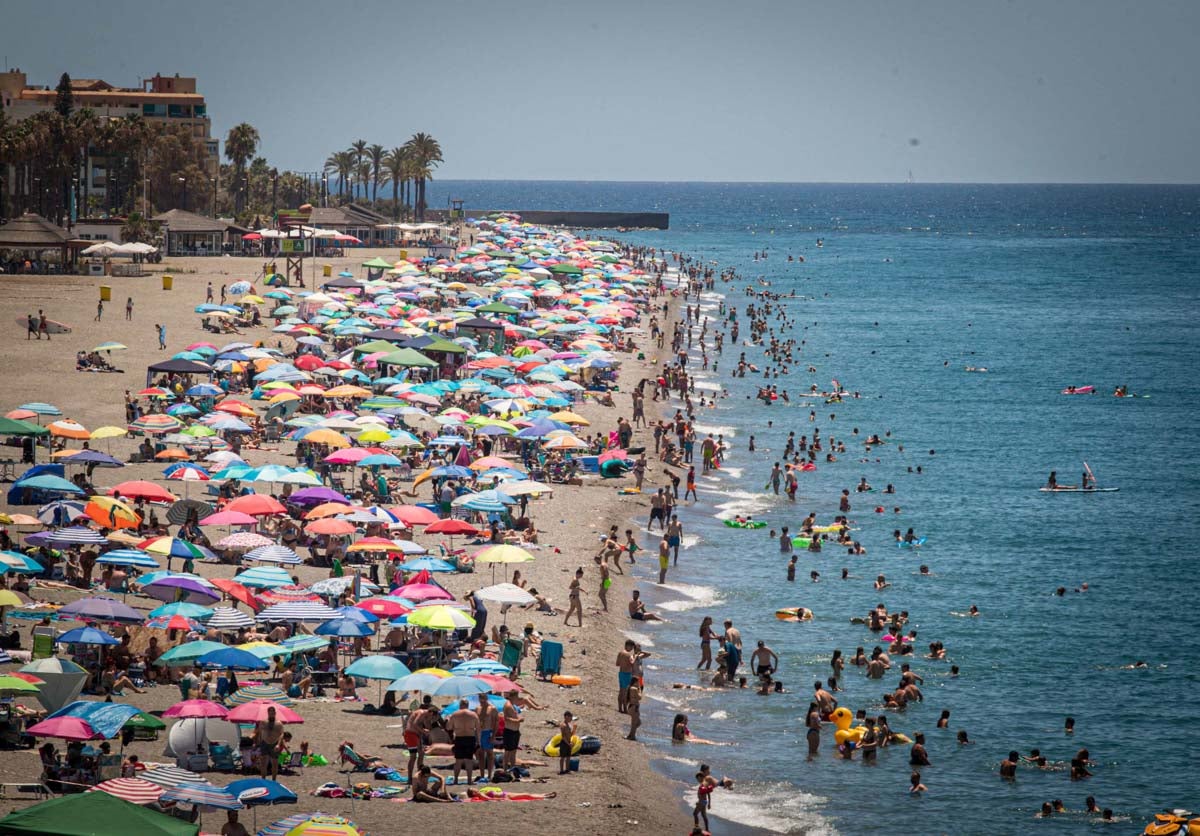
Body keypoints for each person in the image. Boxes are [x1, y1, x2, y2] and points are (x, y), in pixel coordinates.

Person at [447, 698, 479, 785]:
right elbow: (478, 729)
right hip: (470, 738)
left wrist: (449, 720)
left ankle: (456, 780)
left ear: (460, 705)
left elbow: (448, 727)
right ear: (468, 705)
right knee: (469, 760)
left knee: (458, 761)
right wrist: (478, 741)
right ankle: (469, 780)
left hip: (459, 738)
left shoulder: (455, 714)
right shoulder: (473, 715)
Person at [253, 706, 285, 779]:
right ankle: (263, 779)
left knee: (274, 762)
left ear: (275, 713)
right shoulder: (263, 722)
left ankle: (274, 780)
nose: (271, 714)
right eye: (270, 712)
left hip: (274, 743)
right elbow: (259, 732)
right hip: (264, 743)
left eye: (273, 712)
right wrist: (257, 742)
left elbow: (281, 734)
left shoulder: (278, 723)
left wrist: (278, 744)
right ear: (268, 713)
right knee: (264, 762)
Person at [501, 690, 523, 770]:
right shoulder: (508, 705)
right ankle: (505, 769)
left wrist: (519, 718)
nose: (518, 698)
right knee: (507, 752)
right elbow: (506, 718)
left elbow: (515, 715)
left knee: (514, 751)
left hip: (515, 731)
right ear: (513, 696)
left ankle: (513, 768)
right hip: (509, 731)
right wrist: (517, 721)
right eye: (517, 696)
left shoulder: (513, 705)